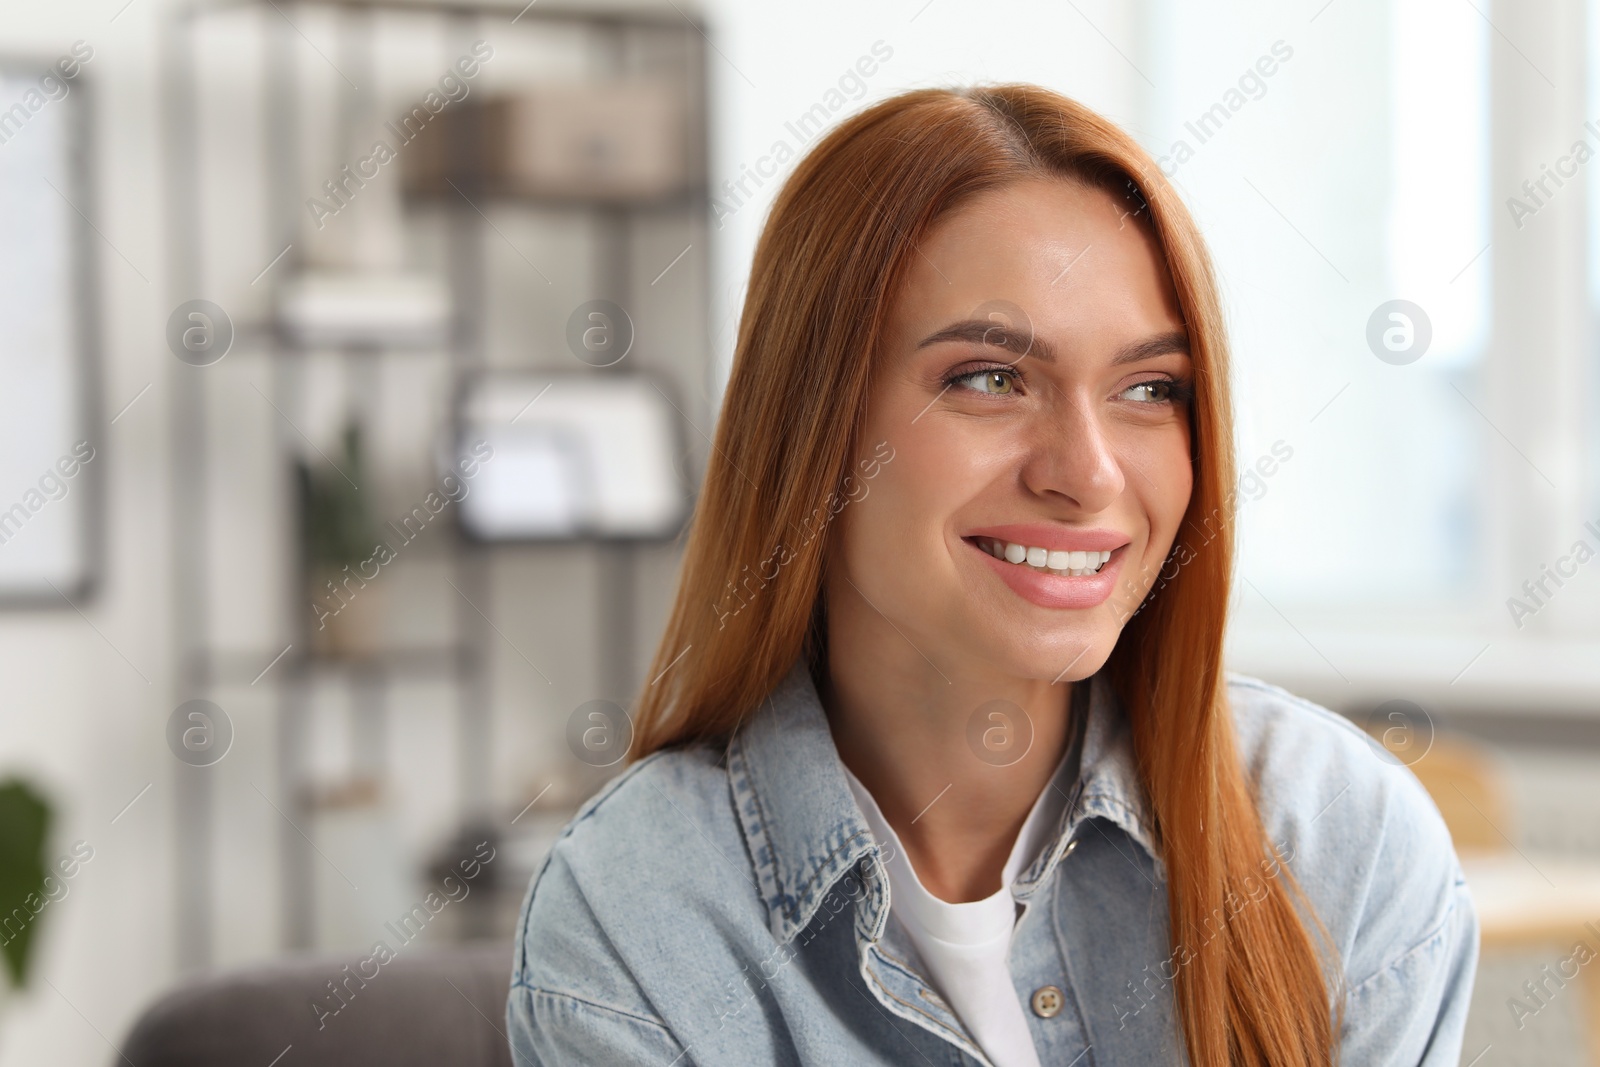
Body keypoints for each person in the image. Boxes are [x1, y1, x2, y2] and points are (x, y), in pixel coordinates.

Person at [506, 84, 1478, 1066]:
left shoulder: (1339, 840)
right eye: (988, 378)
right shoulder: (638, 910)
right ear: (811, 426)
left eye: (1148, 389)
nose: (1088, 473)